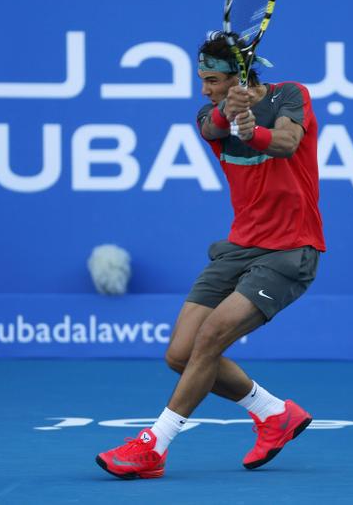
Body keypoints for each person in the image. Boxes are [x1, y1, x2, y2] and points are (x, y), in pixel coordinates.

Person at [95, 31, 326, 480]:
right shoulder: (208, 114)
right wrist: (230, 110)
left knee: (211, 337)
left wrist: (254, 130)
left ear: (238, 75)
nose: (204, 89)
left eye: (212, 80)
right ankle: (275, 414)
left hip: (289, 249)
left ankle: (154, 446)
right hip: (237, 249)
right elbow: (212, 125)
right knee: (180, 354)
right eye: (201, 80)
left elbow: (285, 143)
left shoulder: (290, 95)